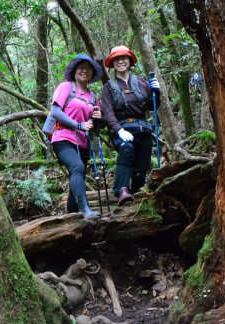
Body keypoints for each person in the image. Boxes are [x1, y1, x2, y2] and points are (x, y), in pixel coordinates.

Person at [101, 45, 160, 206]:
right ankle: (121, 190)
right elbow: (107, 112)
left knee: (142, 167)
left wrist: (156, 92)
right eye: (116, 59)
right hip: (121, 130)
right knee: (127, 149)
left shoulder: (141, 82)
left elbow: (152, 106)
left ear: (130, 61)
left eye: (123, 58)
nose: (120, 61)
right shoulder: (108, 87)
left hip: (143, 129)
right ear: (112, 64)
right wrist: (118, 130)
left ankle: (136, 195)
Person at [50, 54, 103, 220]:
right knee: (77, 168)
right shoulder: (66, 87)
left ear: (92, 74)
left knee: (76, 179)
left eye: (88, 69)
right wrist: (78, 125)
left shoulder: (93, 97)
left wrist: (98, 118)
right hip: (63, 138)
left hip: (83, 143)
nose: (84, 71)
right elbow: (55, 112)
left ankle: (73, 218)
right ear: (74, 71)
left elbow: (96, 125)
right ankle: (86, 210)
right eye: (81, 68)